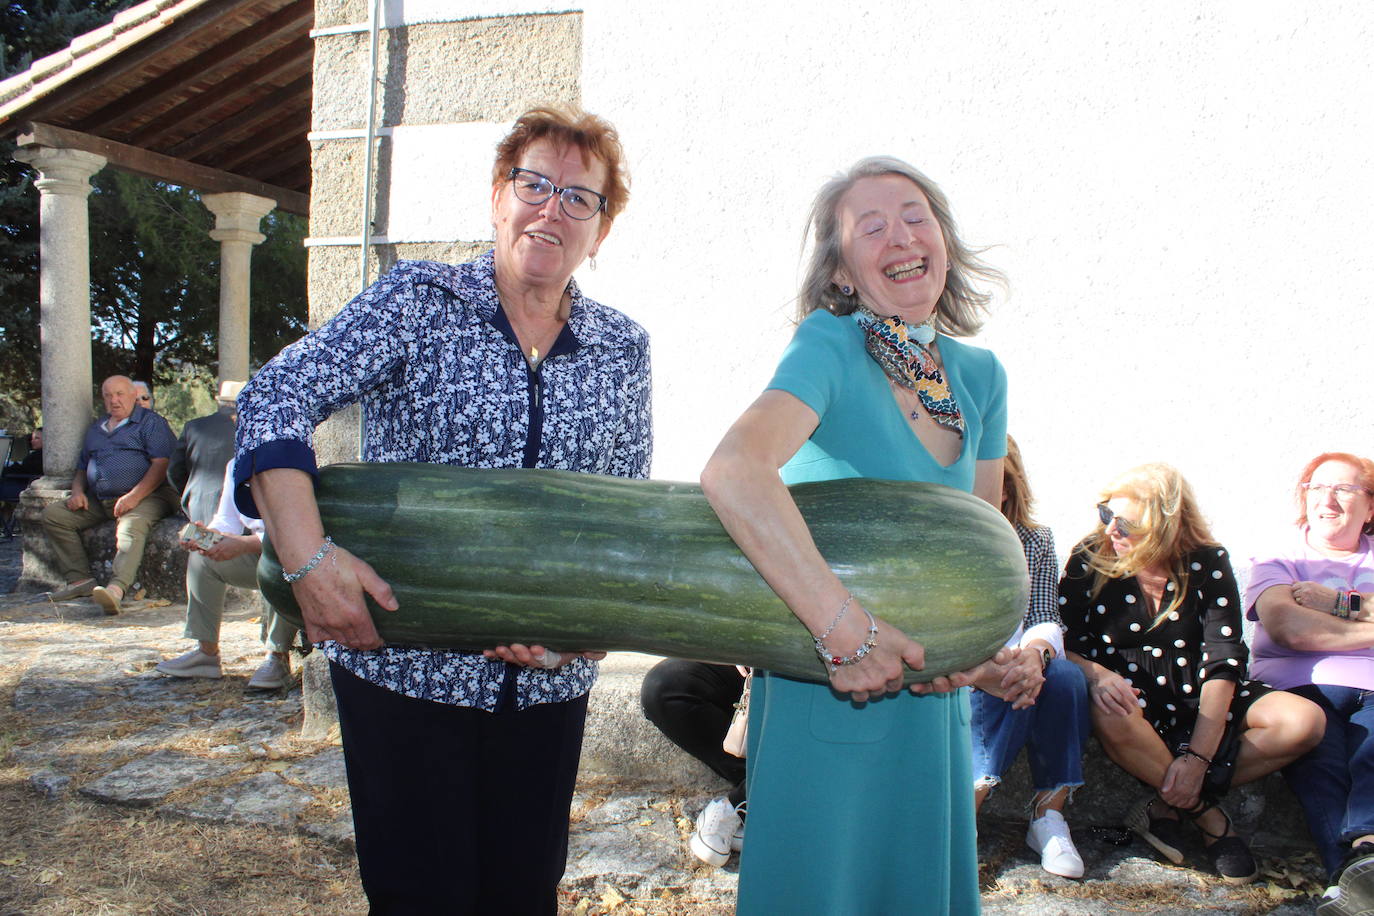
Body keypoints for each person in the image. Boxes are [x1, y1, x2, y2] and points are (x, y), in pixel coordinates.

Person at [232, 106, 650, 913]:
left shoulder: (622, 348)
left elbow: (621, 520)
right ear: (499, 196)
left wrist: (579, 637)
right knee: (421, 897)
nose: (551, 210)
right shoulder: (420, 300)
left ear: (603, 229)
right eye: (535, 184)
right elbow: (275, 396)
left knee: (524, 897)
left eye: (580, 198)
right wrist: (307, 560)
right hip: (404, 675)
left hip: (545, 695)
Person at [700, 156, 1009, 915]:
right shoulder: (830, 347)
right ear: (843, 271)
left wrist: (980, 657)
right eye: (870, 227)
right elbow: (734, 471)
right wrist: (844, 629)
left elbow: (982, 551)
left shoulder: (977, 375)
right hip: (827, 691)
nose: (900, 235)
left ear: (943, 238)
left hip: (931, 714)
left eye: (915, 215)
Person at [1061, 462, 1324, 884]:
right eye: (1106, 514)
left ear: (1164, 525)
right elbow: (1063, 641)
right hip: (1130, 699)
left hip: (1200, 691)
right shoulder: (1089, 557)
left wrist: (1198, 759)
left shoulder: (1207, 561)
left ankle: (1168, 804)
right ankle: (1209, 818)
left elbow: (1223, 659)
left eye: (1126, 523)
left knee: (1305, 721)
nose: (1111, 530)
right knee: (1110, 706)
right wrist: (1097, 674)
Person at [1245, 452, 1374, 914]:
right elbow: (1291, 630)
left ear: (1370, 507)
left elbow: (1313, 622)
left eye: (1344, 489)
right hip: (1302, 685)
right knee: (1324, 764)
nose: (1328, 499)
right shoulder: (1281, 551)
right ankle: (1356, 870)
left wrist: (1335, 601)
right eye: (1317, 488)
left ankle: (1353, 872)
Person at [969, 435, 1091, 878]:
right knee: (1008, 678)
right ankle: (966, 807)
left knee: (1063, 678)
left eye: (991, 480)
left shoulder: (1033, 539)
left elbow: (1044, 614)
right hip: (957, 670)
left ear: (1008, 487)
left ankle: (1049, 815)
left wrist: (1035, 654)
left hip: (1017, 658)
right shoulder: (937, 534)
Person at [156, 458, 300, 689]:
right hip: (257, 551)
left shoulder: (291, 457)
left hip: (289, 553)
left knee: (283, 563)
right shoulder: (236, 464)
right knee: (201, 557)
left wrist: (245, 544)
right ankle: (206, 653)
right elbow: (227, 522)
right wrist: (203, 535)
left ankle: (277, 656)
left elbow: (298, 534)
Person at [41, 375, 179, 614]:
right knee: (54, 515)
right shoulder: (97, 428)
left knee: (130, 527)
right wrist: (76, 492)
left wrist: (134, 496)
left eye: (120, 394)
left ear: (133, 396)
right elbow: (83, 466)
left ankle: (116, 590)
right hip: (102, 500)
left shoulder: (151, 423)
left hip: (149, 495)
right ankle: (80, 581)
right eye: (108, 395)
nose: (114, 400)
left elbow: (162, 464)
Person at [640, 659, 747, 866]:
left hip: (819, 679)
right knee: (665, 687)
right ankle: (762, 789)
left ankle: (747, 800)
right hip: (762, 666)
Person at [168, 381, 243, 525]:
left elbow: (174, 471)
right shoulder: (252, 430)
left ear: (219, 402)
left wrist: (190, 491)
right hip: (239, 505)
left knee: (202, 547)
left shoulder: (193, 426)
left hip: (199, 502)